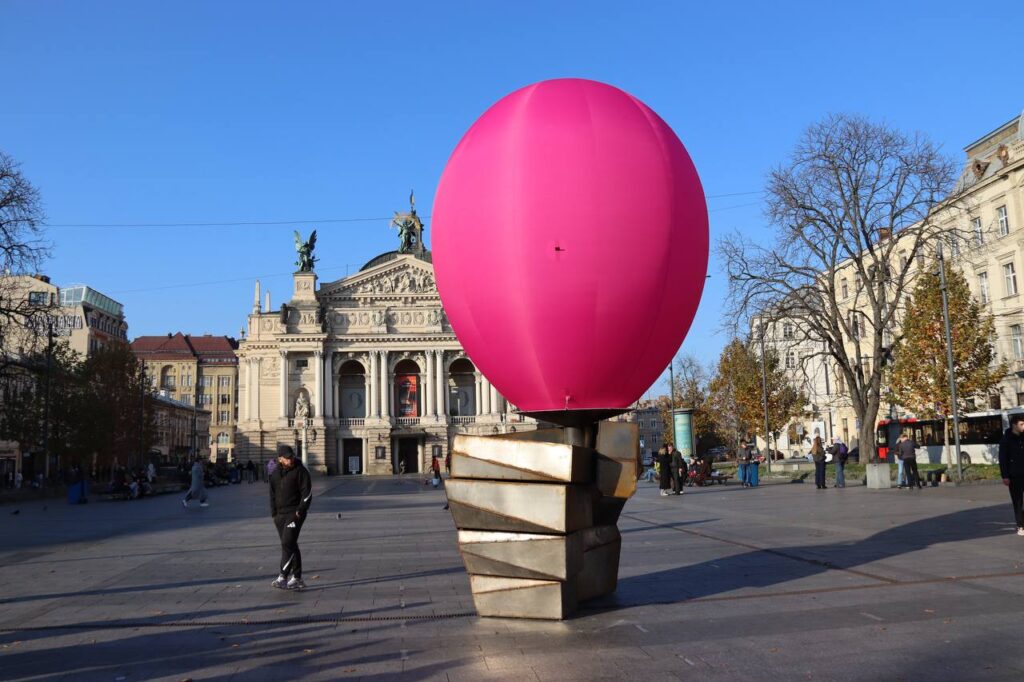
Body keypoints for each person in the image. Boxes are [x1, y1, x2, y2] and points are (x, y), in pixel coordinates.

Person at [269, 445, 313, 590]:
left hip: (294, 513)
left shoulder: (301, 471)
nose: (290, 459)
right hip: (280, 515)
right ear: (280, 459)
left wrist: (301, 509)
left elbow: (307, 492)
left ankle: (283, 577)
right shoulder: (274, 473)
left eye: (291, 456)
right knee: (290, 544)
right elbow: (272, 494)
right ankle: (297, 578)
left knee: (287, 542)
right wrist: (274, 513)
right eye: (287, 458)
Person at [998, 414, 1024, 536]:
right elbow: (1002, 459)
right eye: (1022, 424)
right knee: (1018, 502)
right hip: (1014, 476)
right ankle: (1020, 525)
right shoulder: (1006, 439)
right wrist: (1005, 476)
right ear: (1014, 425)